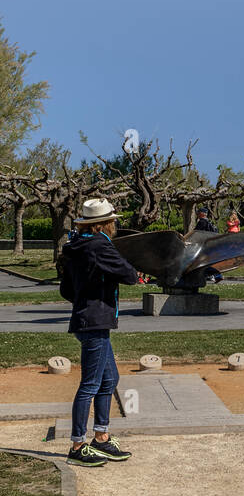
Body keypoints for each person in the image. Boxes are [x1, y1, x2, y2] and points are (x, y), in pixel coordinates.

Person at [59, 197, 139, 467]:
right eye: (113, 221)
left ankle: (101, 438)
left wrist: (86, 297)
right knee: (90, 384)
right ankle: (77, 445)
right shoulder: (99, 246)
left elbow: (66, 290)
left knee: (109, 378)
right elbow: (129, 275)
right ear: (105, 224)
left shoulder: (76, 247)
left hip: (88, 318)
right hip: (95, 321)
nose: (115, 225)